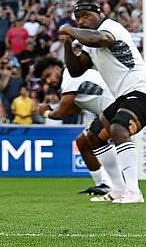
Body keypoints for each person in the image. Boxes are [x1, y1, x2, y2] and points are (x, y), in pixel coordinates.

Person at [60, 0, 146, 204]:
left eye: (85, 16)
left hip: (144, 92)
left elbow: (98, 39)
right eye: (77, 18)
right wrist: (68, 46)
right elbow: (76, 70)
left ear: (100, 14)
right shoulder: (90, 41)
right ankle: (117, 189)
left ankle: (134, 191)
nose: (81, 21)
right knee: (95, 135)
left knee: (118, 128)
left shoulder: (110, 27)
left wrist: (70, 30)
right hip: (125, 96)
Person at [33, 56, 119, 196]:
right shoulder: (70, 79)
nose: (49, 81)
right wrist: (52, 109)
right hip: (108, 111)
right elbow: (75, 109)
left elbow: (62, 112)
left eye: (49, 75)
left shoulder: (70, 76)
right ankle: (103, 184)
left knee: (96, 139)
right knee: (83, 142)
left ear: (57, 68)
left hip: (114, 109)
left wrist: (46, 113)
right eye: (45, 80)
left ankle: (117, 185)